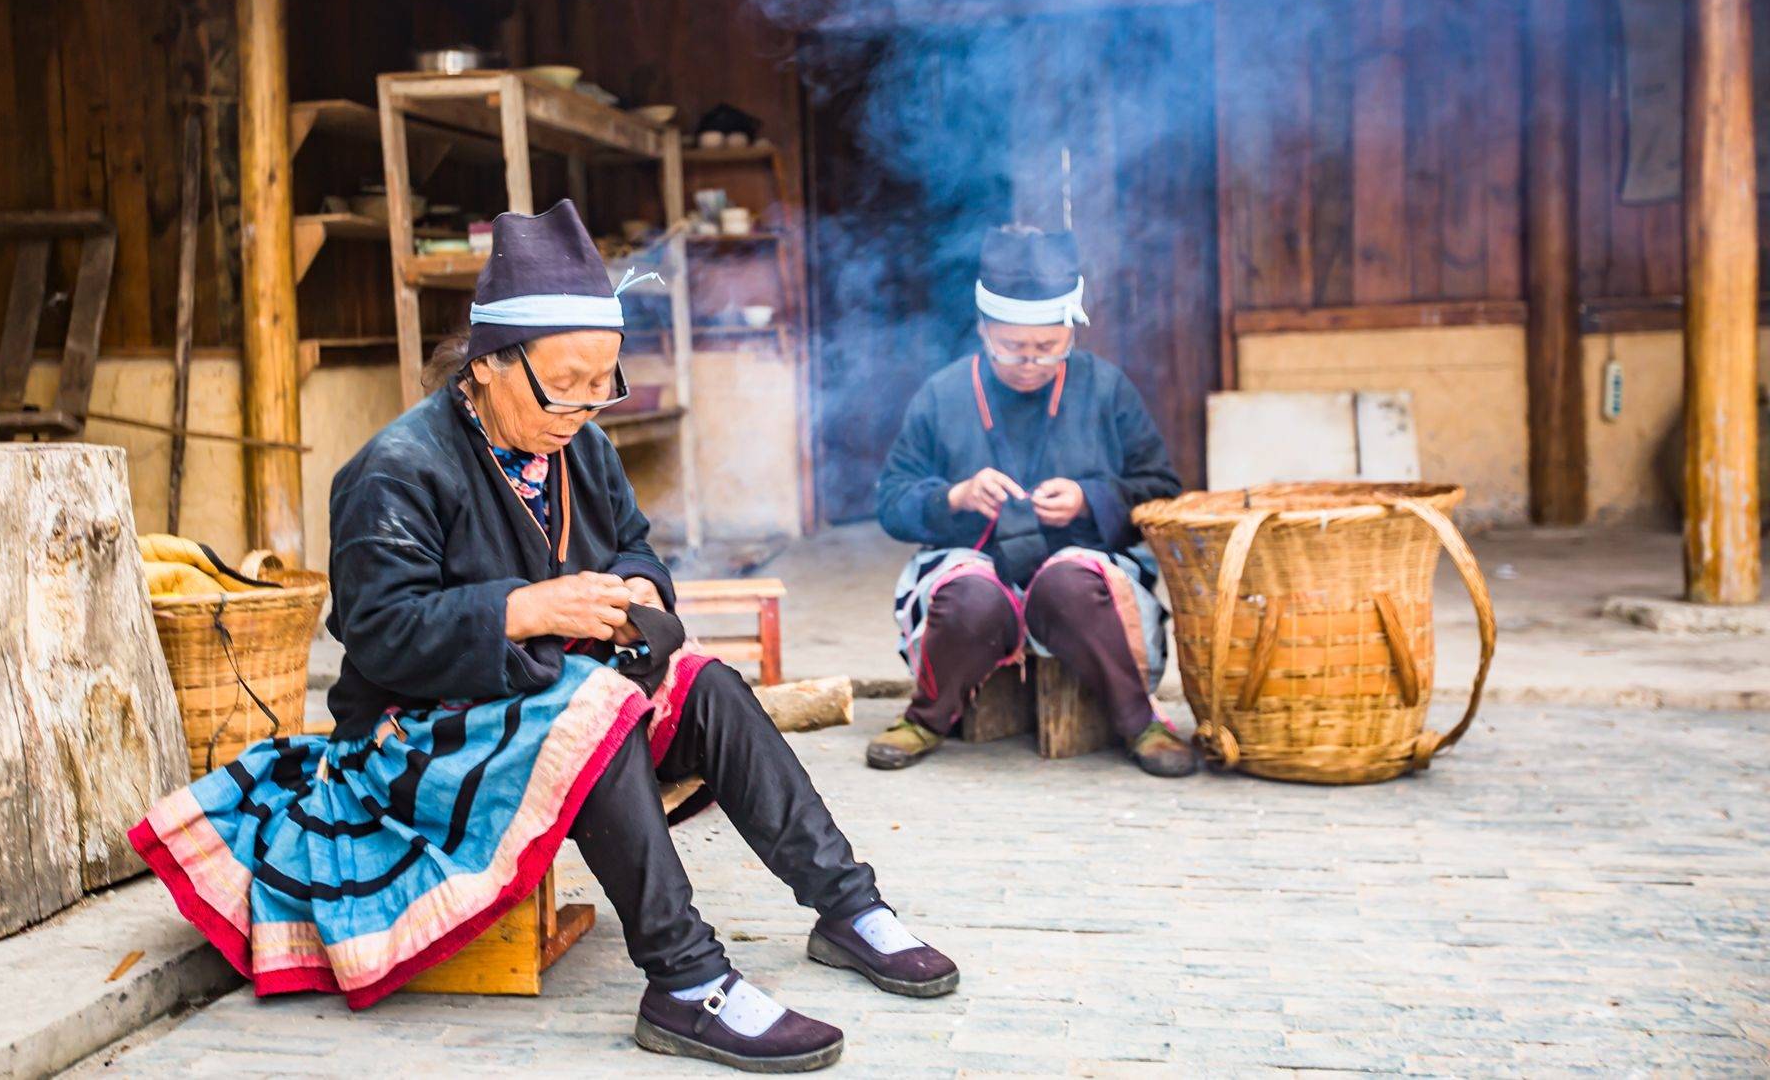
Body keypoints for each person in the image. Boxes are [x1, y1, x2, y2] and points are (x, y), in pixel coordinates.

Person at [130, 200, 955, 1074]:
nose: (585, 407)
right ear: (487, 365)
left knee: (705, 681)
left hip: (544, 702)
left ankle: (848, 906)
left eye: (604, 382)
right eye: (566, 382)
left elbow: (636, 547)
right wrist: (526, 609)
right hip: (416, 735)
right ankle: (684, 978)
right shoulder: (396, 470)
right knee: (593, 706)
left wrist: (641, 586)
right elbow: (376, 636)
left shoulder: (582, 451)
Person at [869, 224, 1195, 778]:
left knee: (1071, 581)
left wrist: (1091, 499)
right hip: (974, 567)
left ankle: (1139, 721)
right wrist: (956, 495)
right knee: (969, 595)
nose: (1030, 363)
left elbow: (1161, 488)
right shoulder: (944, 392)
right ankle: (927, 717)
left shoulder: (1106, 387)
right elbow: (892, 500)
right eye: (1012, 348)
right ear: (982, 330)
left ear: (1072, 331)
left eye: (1048, 349)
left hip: (1079, 570)